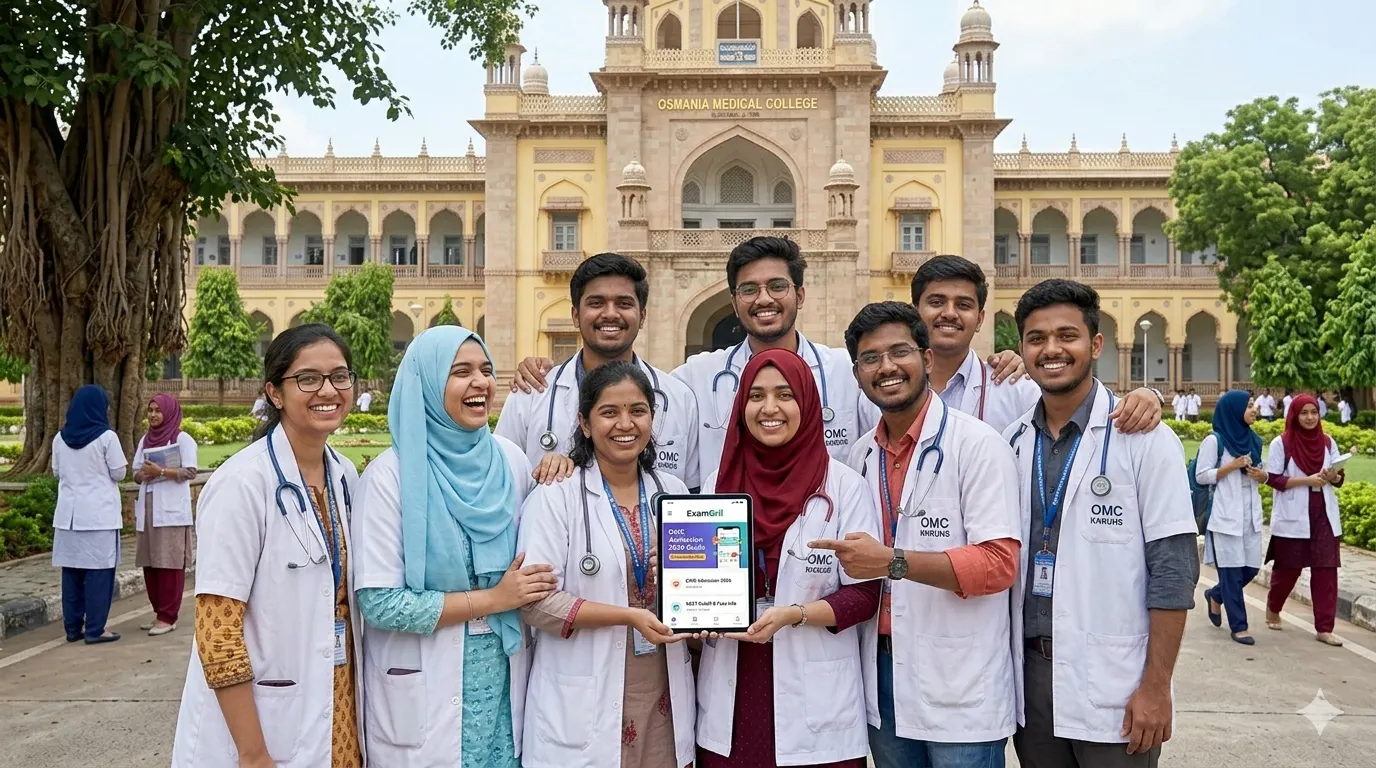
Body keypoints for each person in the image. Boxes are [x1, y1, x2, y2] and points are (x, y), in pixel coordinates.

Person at [511, 239, 1025, 480]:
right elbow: (685, 483)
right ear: (732, 301)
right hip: (712, 565)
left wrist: (1006, 360)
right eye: (750, 290)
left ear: (801, 294)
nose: (764, 299)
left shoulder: (849, 378)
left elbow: (898, 437)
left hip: (822, 556)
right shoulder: (691, 381)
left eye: (778, 286)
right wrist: (540, 370)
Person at [1003, 280, 1199, 768]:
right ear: (1022, 349)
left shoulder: (1145, 441)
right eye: (1036, 338)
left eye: (1066, 336)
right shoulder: (1010, 442)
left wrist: (1156, 686)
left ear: (1094, 345)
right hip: (1032, 683)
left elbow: (1174, 572)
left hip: (1117, 685)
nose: (1051, 349)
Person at [823, 302, 1021, 767]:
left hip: (959, 680)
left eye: (899, 352)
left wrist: (894, 561)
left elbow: (998, 564)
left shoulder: (976, 446)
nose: (886, 367)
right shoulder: (859, 457)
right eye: (870, 359)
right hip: (884, 673)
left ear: (927, 359)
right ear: (857, 374)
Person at [352, 326, 555, 766]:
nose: (480, 382)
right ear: (425, 382)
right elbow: (379, 601)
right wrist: (494, 599)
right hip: (427, 685)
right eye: (460, 371)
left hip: (504, 676)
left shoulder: (510, 461)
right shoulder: (391, 476)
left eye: (485, 370)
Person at [172, 324, 364, 768]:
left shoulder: (345, 477)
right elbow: (218, 630)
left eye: (340, 376)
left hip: (338, 705)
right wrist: (253, 753)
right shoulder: (242, 483)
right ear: (275, 393)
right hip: (261, 722)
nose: (328, 390)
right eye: (308, 378)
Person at [694, 349, 882, 768]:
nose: (769, 408)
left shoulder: (843, 486)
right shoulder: (717, 483)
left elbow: (865, 597)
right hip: (733, 689)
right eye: (756, 396)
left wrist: (793, 614)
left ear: (807, 402)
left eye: (784, 395)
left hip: (816, 704)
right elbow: (698, 586)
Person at [517, 361, 696, 768]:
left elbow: (699, 587)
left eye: (638, 410)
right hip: (583, 694)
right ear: (583, 422)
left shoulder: (675, 492)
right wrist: (628, 615)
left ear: (653, 417)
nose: (625, 424)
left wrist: (684, 589)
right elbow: (532, 602)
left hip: (662, 688)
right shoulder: (555, 496)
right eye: (609, 412)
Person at [495, 253, 700, 489]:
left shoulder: (679, 399)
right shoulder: (531, 394)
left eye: (624, 303)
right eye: (596, 303)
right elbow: (503, 483)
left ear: (642, 316)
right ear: (575, 315)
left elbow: (690, 496)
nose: (610, 313)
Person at [908, 255, 1163, 434]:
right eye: (937, 302)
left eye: (963, 305)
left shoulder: (1012, 386)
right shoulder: (878, 391)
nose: (950, 313)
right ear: (915, 311)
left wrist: (1149, 396)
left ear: (980, 319)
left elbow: (1077, 402)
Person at [1263, 394, 1345, 647]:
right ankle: (1273, 606)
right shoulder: (1282, 443)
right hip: (1295, 513)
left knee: (1326, 571)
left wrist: (1333, 477)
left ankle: (1324, 627)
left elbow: (1340, 479)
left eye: (1314, 412)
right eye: (1304, 413)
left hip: (1323, 513)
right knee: (1289, 568)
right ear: (1294, 415)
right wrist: (1307, 480)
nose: (1310, 418)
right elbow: (1273, 478)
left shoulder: (1327, 442)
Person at [51, 385, 128, 645]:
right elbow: (119, 473)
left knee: (71, 575)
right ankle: (96, 629)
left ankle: (73, 629)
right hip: (98, 516)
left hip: (69, 518)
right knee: (99, 574)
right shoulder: (107, 437)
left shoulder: (60, 438)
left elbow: (56, 472)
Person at [1197, 391, 1267, 645]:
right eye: (1249, 406)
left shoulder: (1254, 440)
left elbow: (1264, 471)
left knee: (1250, 568)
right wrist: (1231, 466)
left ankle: (1215, 596)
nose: (1254, 410)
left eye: (1254, 406)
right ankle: (1239, 626)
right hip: (1225, 516)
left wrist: (1261, 475)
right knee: (1232, 575)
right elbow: (1201, 476)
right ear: (1234, 410)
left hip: (1250, 515)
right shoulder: (1215, 441)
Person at [133, 393, 198, 637]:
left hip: (171, 510)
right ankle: (158, 611)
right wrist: (143, 475)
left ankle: (168, 616)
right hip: (148, 508)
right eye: (150, 410)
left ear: (169, 412)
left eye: (158, 411)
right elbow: (135, 472)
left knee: (169, 562)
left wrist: (161, 471)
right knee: (150, 561)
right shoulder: (145, 440)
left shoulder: (183, 439)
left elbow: (190, 472)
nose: (153, 415)